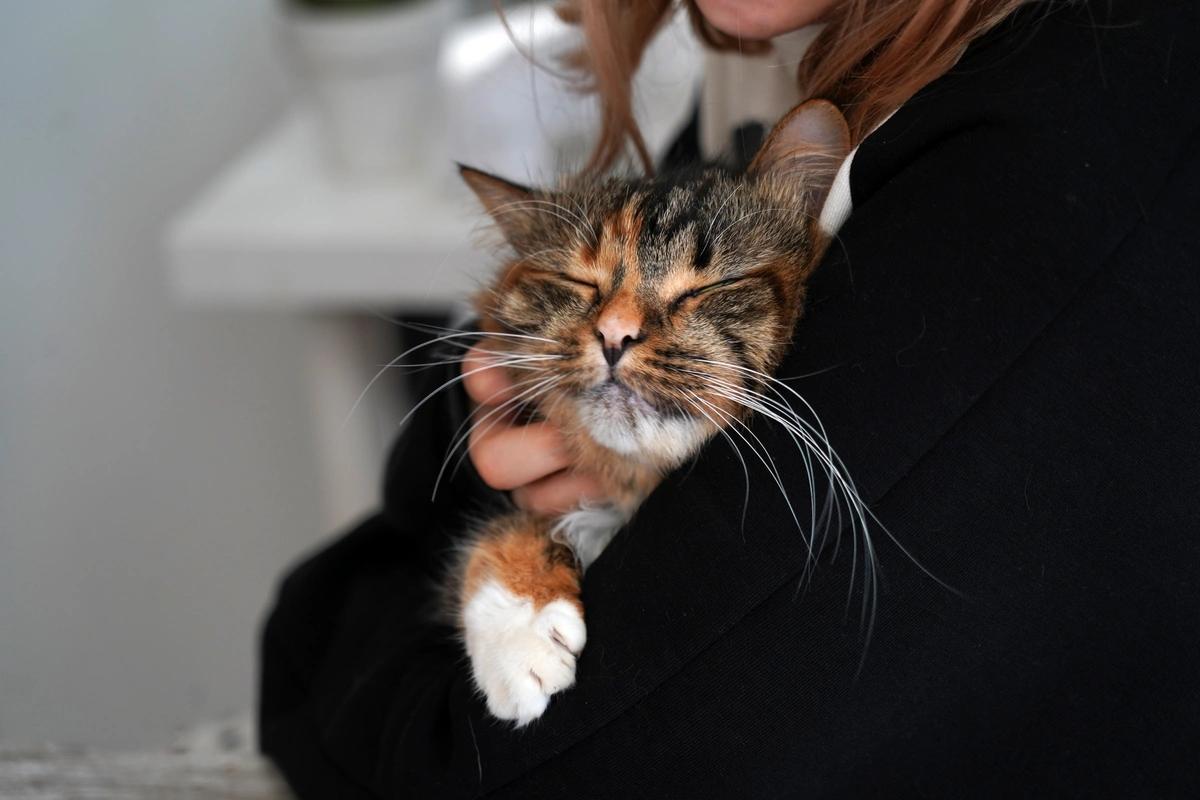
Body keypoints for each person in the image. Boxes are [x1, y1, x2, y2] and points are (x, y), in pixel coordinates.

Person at [259, 1, 1200, 796]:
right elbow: (433, 488)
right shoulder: (760, 61)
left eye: (697, 293)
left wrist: (321, 624)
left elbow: (526, 767)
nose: (619, 328)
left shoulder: (1052, 160)